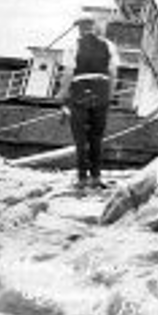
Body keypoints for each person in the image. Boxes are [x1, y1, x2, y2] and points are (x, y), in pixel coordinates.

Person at [58, 18, 118, 189]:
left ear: (79, 29)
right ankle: (96, 177)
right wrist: (109, 95)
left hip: (80, 91)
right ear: (93, 28)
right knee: (97, 137)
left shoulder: (73, 46)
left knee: (80, 138)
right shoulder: (109, 45)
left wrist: (62, 94)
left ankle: (82, 179)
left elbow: (68, 73)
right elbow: (113, 73)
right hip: (101, 90)